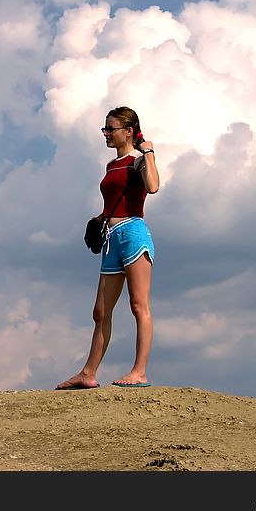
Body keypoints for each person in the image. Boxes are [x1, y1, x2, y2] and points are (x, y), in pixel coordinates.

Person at [56, 106, 160, 389]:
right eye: (105, 129)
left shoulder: (136, 162)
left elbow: (152, 187)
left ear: (128, 131)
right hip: (112, 237)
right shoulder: (111, 166)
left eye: (110, 129)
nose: (106, 134)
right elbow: (114, 199)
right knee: (100, 311)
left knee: (139, 306)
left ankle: (139, 372)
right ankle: (88, 374)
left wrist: (148, 151)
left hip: (133, 234)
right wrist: (100, 218)